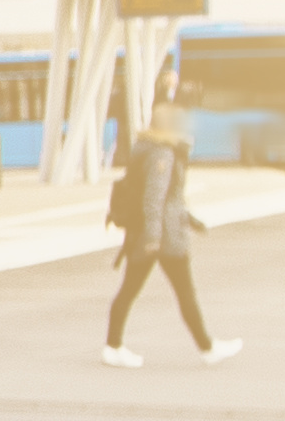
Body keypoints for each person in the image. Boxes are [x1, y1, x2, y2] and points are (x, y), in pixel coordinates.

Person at [101, 105, 241, 367]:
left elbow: (168, 198)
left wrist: (189, 218)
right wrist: (154, 237)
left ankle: (113, 346)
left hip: (152, 233)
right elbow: (155, 198)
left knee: (130, 290)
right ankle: (207, 348)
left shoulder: (151, 148)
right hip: (163, 237)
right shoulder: (161, 154)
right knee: (182, 292)